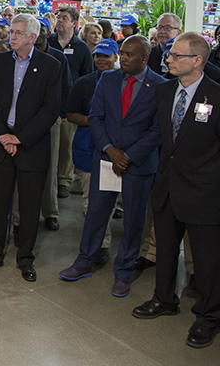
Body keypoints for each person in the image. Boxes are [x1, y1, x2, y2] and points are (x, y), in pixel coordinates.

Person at [59, 35, 165, 299]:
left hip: (137, 165)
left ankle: (124, 271)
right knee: (95, 212)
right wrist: (110, 150)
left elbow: (158, 130)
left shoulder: (161, 86)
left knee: (132, 220)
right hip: (106, 160)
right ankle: (84, 261)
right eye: (123, 53)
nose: (124, 58)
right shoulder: (107, 80)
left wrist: (128, 156)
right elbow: (95, 117)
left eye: (130, 54)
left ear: (144, 57)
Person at [133, 32, 220, 350]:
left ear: (197, 61)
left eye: (176, 55)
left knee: (207, 260)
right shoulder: (164, 91)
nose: (167, 59)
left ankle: (209, 316)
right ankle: (164, 299)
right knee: (166, 251)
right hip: (167, 187)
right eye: (169, 54)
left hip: (204, 193)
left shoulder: (216, 96)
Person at [0, 14, 61, 282]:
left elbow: (50, 110)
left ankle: (25, 258)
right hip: (1, 143)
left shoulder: (51, 66)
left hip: (30, 145)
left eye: (17, 33)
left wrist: (20, 138)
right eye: (11, 31)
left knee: (29, 206)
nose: (10, 36)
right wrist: (3, 135)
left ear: (32, 38)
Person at [66, 39, 120, 257]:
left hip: (117, 152)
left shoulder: (123, 83)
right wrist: (96, 121)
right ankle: (100, 244)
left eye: (106, 56)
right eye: (98, 55)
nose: (101, 59)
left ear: (116, 57)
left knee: (110, 200)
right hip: (88, 149)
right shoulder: (83, 83)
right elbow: (71, 114)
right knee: (91, 201)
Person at [49, 6, 94, 199]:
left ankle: (64, 180)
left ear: (74, 24)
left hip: (70, 104)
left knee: (66, 145)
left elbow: (88, 76)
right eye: (58, 17)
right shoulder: (48, 42)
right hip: (50, 103)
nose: (60, 20)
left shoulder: (81, 47)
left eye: (65, 18)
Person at [33, 17, 73, 233]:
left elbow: (65, 86)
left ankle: (50, 212)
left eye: (42, 30)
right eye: (35, 30)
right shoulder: (21, 56)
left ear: (48, 33)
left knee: (51, 164)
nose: (38, 34)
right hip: (25, 120)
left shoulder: (57, 57)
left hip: (51, 119)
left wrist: (59, 114)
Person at [148, 12, 183, 77]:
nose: (162, 31)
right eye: (160, 27)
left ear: (178, 32)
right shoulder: (149, 54)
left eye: (168, 28)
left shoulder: (184, 56)